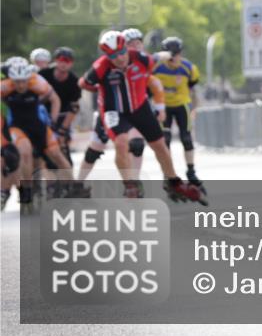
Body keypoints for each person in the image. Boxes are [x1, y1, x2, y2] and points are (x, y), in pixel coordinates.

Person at [79, 31, 203, 203]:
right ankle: (130, 184)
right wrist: (100, 89)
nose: (120, 58)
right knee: (120, 143)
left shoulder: (141, 59)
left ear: (126, 49)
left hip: (139, 107)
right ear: (107, 55)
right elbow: (83, 83)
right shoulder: (101, 66)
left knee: (159, 145)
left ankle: (173, 181)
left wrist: (170, 54)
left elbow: (159, 59)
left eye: (122, 52)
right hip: (114, 111)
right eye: (113, 56)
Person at [1, 58, 82, 210]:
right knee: (24, 152)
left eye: (23, 81)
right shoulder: (5, 86)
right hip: (17, 127)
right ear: (11, 79)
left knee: (56, 155)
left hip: (39, 126)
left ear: (28, 78)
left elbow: (55, 99)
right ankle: (27, 191)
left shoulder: (36, 81)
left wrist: (53, 121)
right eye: (16, 81)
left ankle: (75, 188)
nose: (20, 85)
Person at [152, 36, 205, 192]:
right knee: (165, 141)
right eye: (170, 54)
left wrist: (194, 107)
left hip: (182, 105)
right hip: (164, 107)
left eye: (177, 54)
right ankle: (167, 174)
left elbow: (192, 87)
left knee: (186, 138)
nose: (174, 58)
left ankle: (191, 171)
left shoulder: (189, 68)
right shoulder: (156, 68)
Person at [38, 47, 82, 166]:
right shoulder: (43, 74)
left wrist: (62, 130)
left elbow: (74, 107)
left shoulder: (74, 81)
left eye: (67, 61)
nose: (63, 63)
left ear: (71, 64)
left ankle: (68, 178)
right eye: (61, 60)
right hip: (43, 113)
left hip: (63, 116)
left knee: (62, 142)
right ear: (56, 61)